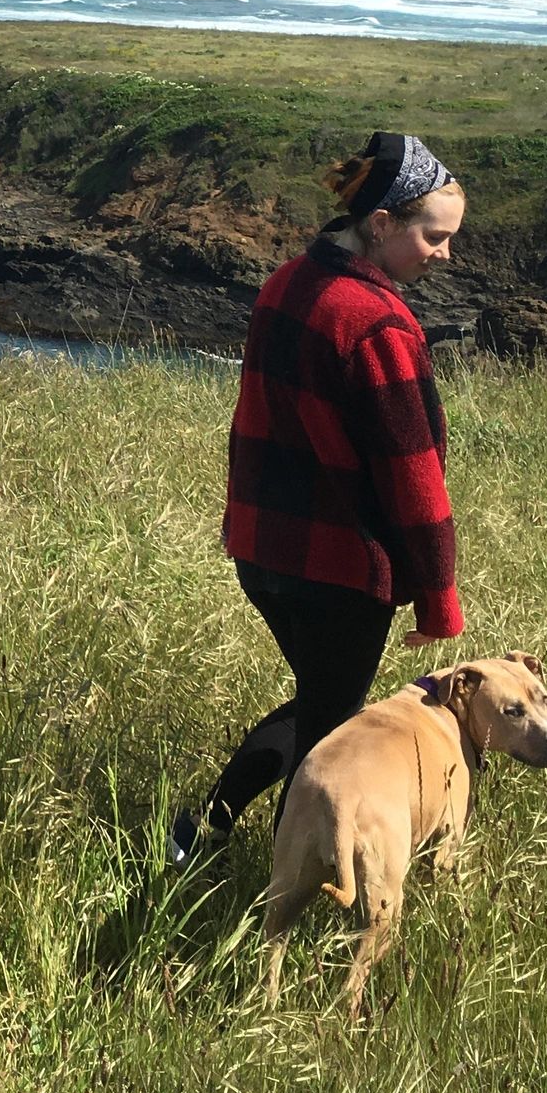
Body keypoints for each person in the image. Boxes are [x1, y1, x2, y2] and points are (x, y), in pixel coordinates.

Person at [170, 130, 467, 863]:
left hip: (265, 553)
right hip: (337, 571)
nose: (445, 255)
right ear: (382, 224)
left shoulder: (284, 284)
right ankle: (269, 880)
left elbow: (252, 423)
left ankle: (204, 831)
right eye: (435, 237)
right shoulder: (378, 326)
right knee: (332, 730)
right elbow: (415, 479)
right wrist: (439, 599)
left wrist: (238, 522)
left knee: (321, 704)